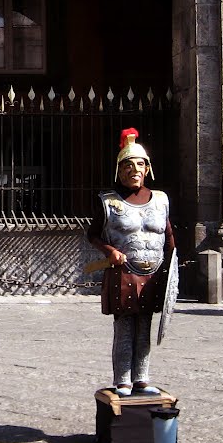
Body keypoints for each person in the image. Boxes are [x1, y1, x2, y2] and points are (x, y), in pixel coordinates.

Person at [87, 127, 175, 397]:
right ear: (119, 170)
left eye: (139, 164)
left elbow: (168, 235)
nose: (134, 169)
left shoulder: (161, 200)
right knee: (125, 326)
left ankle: (142, 378)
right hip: (123, 272)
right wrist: (109, 250)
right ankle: (123, 379)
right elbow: (92, 234)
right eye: (127, 164)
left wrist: (173, 267)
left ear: (147, 169)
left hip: (153, 272)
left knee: (145, 325)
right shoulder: (108, 201)